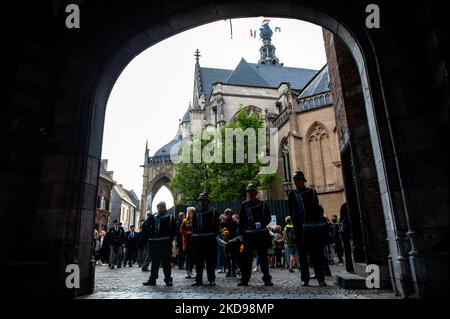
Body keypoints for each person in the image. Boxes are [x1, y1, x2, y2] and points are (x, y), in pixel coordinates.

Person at [288, 171, 328, 287]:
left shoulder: (311, 192)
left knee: (315, 254)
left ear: (302, 181)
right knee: (302, 255)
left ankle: (321, 278)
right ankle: (305, 278)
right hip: (300, 229)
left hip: (312, 228)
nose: (295, 183)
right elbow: (291, 211)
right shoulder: (292, 194)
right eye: (294, 181)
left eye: (297, 180)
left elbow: (317, 208)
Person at [237, 184, 273, 286]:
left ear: (256, 193)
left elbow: (268, 217)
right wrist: (240, 233)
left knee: (263, 258)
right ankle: (245, 280)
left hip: (261, 234)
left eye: (252, 192)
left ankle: (267, 279)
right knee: (247, 259)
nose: (250, 194)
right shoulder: (244, 205)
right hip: (249, 235)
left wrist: (262, 224)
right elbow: (242, 220)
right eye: (248, 192)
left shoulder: (262, 204)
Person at [143, 202, 176, 286]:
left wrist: (169, 239)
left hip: (165, 243)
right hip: (155, 243)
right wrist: (150, 236)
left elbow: (174, 230)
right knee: (155, 262)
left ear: (165, 208)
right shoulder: (153, 217)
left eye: (162, 207)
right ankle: (152, 279)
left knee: (166, 262)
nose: (160, 209)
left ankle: (168, 279)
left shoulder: (170, 217)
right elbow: (144, 226)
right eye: (159, 207)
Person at [191, 192, 220, 286]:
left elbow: (217, 226)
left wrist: (212, 235)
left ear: (207, 201)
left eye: (203, 200)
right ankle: (198, 279)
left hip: (209, 240)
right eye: (200, 201)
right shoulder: (196, 212)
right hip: (198, 240)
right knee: (198, 261)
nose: (201, 202)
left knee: (210, 261)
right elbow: (194, 226)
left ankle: (211, 279)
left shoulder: (213, 211)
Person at [220, 208, 238, 277]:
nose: (227, 215)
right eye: (226, 214)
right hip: (227, 241)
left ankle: (232, 272)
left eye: (228, 214)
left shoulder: (230, 222)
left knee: (233, 257)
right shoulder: (232, 222)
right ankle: (230, 271)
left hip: (232, 241)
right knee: (228, 257)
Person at [339, 203, 355, 273]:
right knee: (349, 249)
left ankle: (349, 267)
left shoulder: (344, 206)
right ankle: (350, 266)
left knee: (347, 250)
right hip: (348, 230)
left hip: (345, 232)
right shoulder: (347, 205)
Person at [180, 207, 195, 278]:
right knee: (188, 257)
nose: (192, 213)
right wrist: (188, 232)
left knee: (192, 258)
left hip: (194, 242)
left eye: (193, 212)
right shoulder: (185, 221)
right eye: (191, 212)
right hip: (187, 242)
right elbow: (181, 230)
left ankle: (191, 271)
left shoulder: (196, 220)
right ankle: (187, 272)